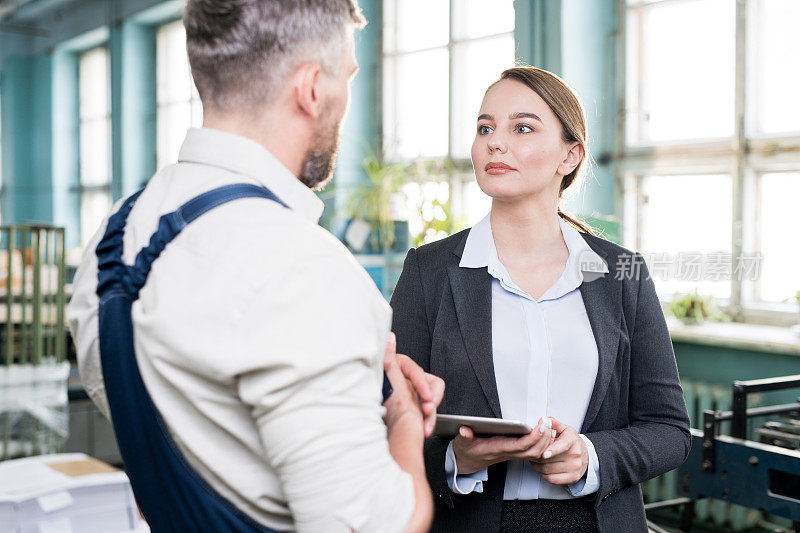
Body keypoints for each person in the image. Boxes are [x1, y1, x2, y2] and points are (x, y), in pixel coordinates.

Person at [67, 1, 442, 532]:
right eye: (348, 77)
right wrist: (402, 413)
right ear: (312, 89)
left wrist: (356, 376)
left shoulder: (117, 234)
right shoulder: (302, 267)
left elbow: (190, 447)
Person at [389, 66, 692, 533]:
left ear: (569, 156)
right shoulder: (428, 272)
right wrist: (456, 458)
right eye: (485, 127)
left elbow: (669, 430)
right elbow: (389, 415)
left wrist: (589, 456)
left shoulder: (621, 274)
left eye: (522, 128)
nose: (495, 142)